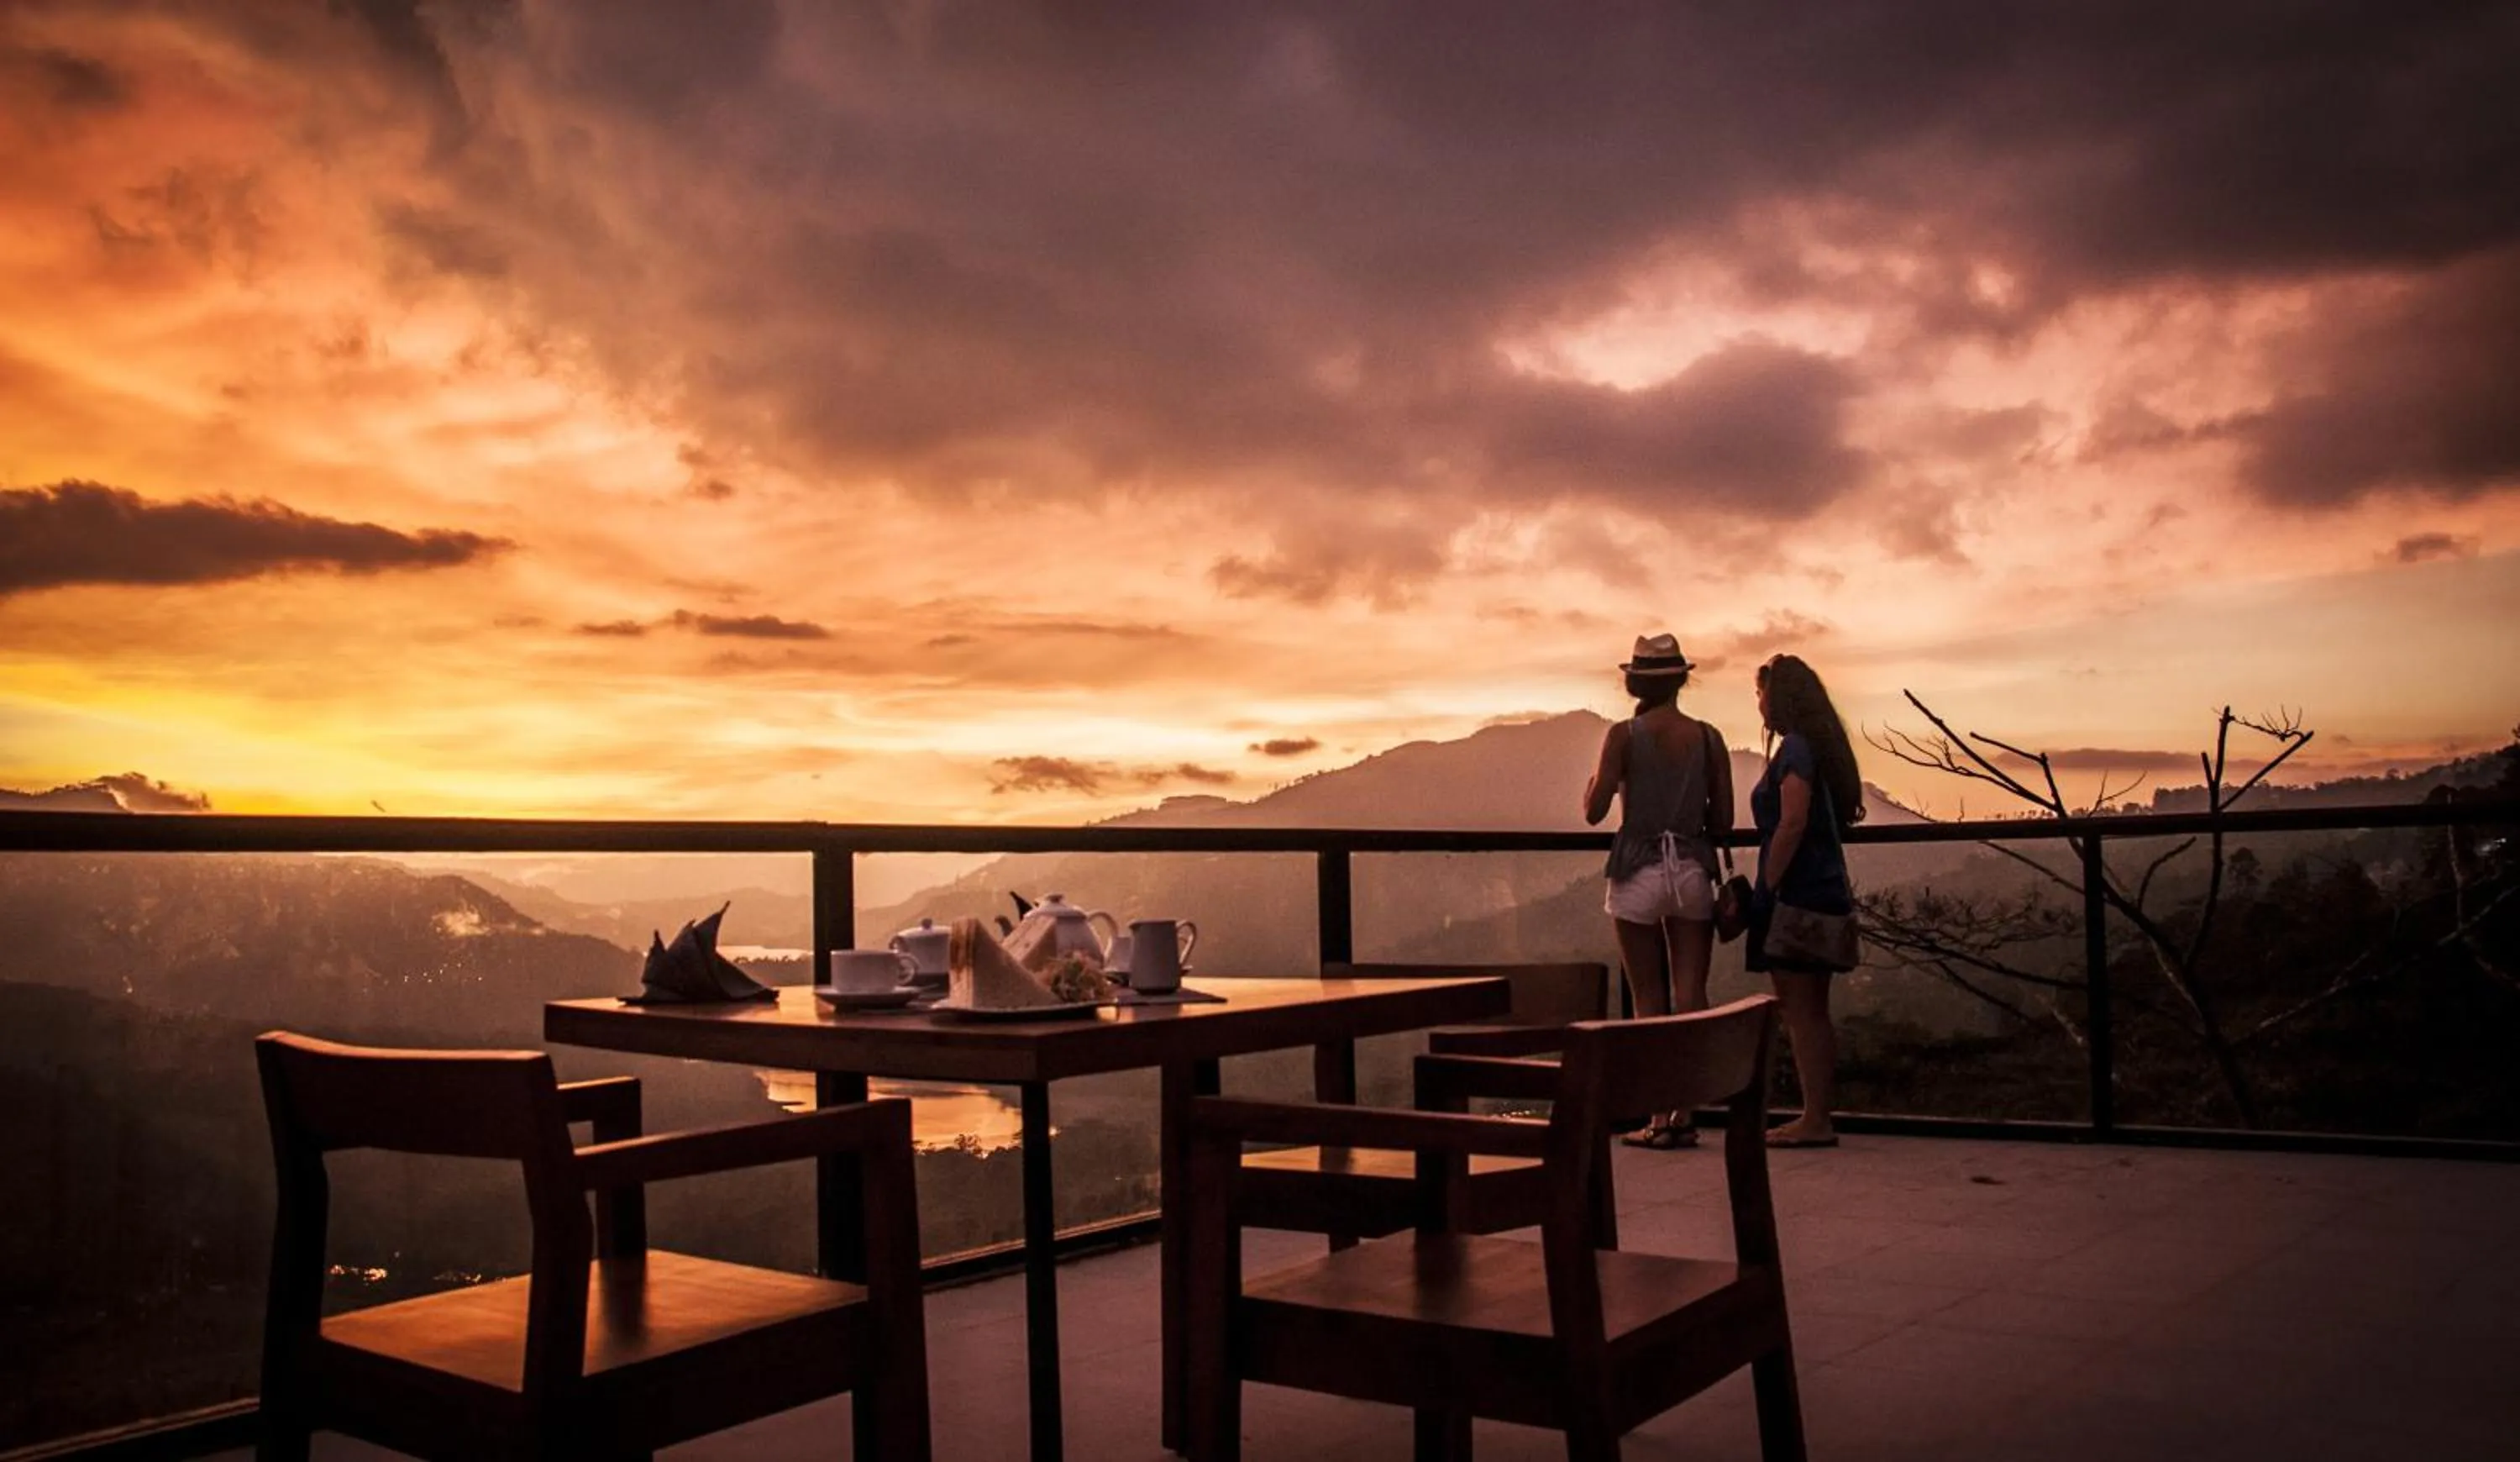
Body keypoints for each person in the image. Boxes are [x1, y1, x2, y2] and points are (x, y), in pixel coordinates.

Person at [1583, 632, 1733, 1149]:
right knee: (1690, 992)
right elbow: (1725, 818)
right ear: (1682, 680)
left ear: (1633, 682)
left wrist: (1602, 778)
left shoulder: (1623, 735)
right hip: (1691, 867)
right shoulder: (1708, 737)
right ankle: (1686, 1109)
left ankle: (1657, 1119)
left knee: (1648, 998)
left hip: (1638, 868)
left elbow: (1593, 811)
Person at [1748, 654, 1863, 1148]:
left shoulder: (1794, 749)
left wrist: (1767, 888)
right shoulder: (1816, 747)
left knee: (1800, 1010)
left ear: (1779, 696)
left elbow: (1792, 820)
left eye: (1761, 692)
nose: (1758, 703)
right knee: (1812, 1010)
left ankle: (1814, 1118)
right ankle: (1817, 1114)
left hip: (1797, 894)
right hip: (1823, 888)